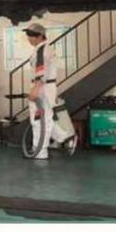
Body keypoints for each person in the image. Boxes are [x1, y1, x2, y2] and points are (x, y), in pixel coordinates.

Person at [24, 23, 77, 159]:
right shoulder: (43, 49)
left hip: (43, 87)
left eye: (32, 35)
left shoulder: (42, 50)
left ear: (40, 36)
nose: (29, 38)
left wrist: (35, 89)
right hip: (45, 86)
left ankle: (40, 151)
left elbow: (41, 72)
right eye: (28, 35)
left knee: (40, 120)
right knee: (43, 119)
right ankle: (65, 137)